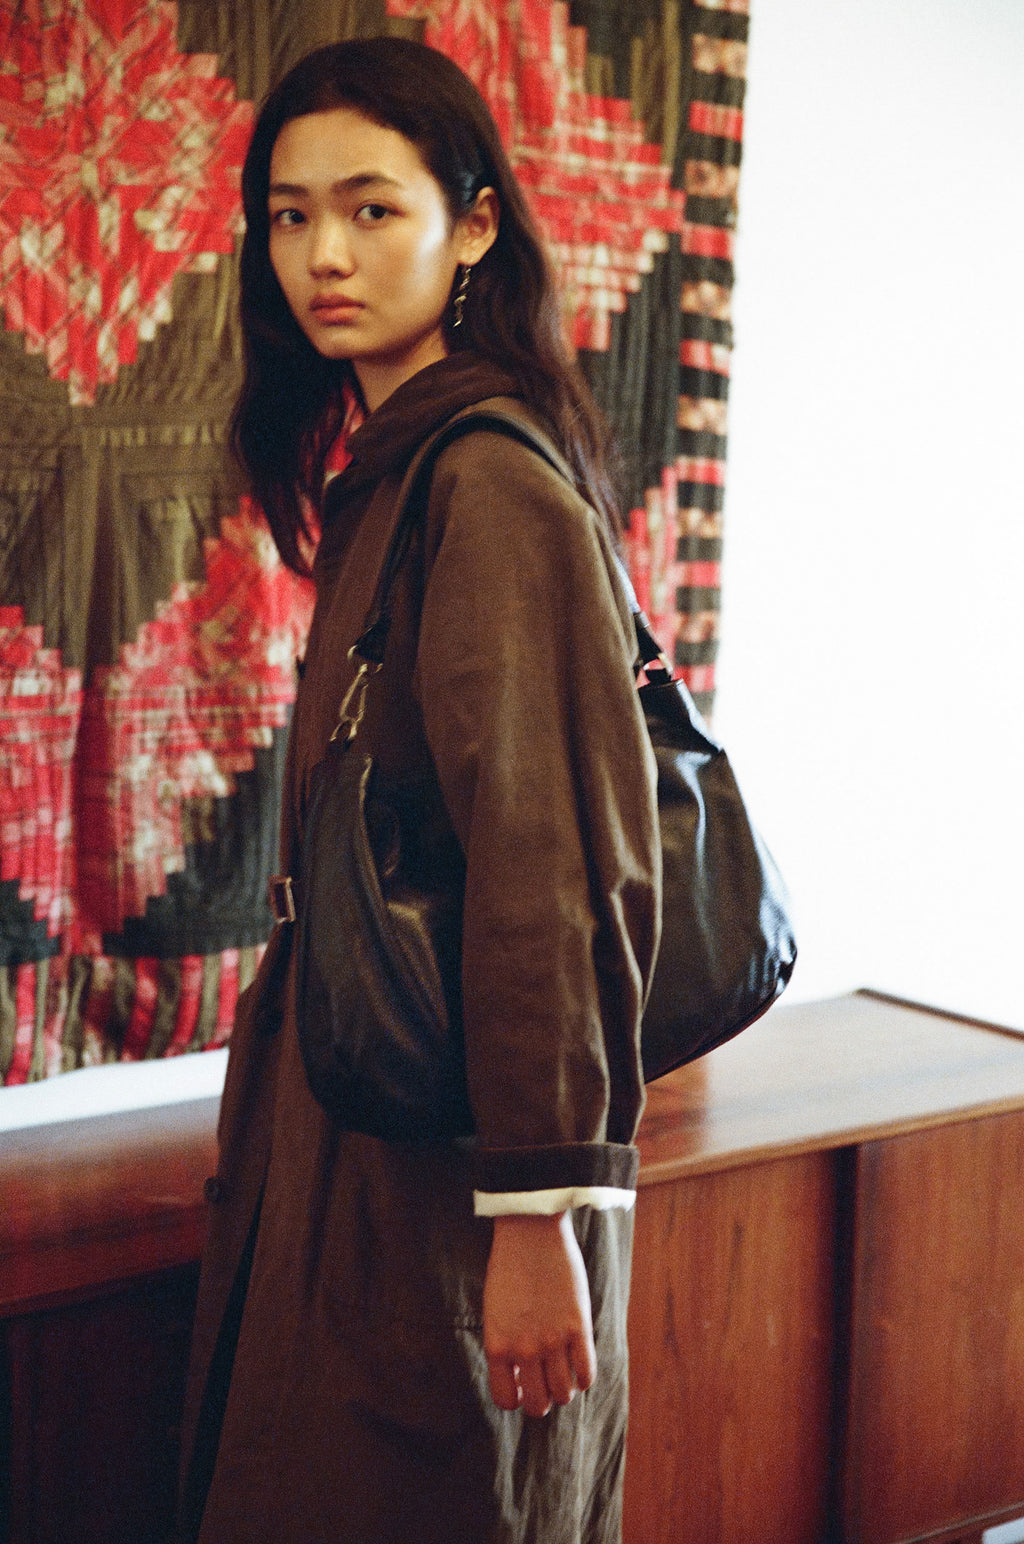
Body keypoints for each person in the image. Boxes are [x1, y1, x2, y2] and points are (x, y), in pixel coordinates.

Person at [177, 36, 660, 1544]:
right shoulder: (399, 462)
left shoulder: (488, 482)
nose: (324, 255)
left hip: (455, 1169)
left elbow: (549, 871)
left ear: (474, 225)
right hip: (367, 1116)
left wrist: (536, 1218)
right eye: (290, 215)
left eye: (373, 209)